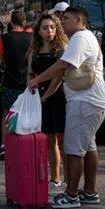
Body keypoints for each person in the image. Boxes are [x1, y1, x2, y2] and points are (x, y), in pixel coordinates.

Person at [28, 6, 105, 209]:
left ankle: (71, 195)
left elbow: (62, 65)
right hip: (90, 100)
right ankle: (89, 191)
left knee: (73, 150)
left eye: (66, 19)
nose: (63, 23)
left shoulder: (81, 38)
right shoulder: (85, 37)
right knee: (88, 147)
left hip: (84, 101)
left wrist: (37, 79)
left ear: (80, 19)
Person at [27, 13, 68, 195]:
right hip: (39, 97)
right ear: (38, 31)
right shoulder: (34, 49)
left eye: (52, 27)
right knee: (49, 140)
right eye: (45, 28)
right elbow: (30, 73)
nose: (49, 31)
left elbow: (58, 76)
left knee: (63, 140)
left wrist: (46, 96)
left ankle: (69, 179)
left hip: (57, 97)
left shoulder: (61, 48)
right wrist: (32, 91)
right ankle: (55, 178)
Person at [0, 9, 32, 158]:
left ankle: (4, 145)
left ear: (11, 21)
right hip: (27, 82)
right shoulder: (31, 38)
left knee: (7, 114)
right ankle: (25, 143)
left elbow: (2, 59)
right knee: (27, 113)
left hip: (11, 81)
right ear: (24, 22)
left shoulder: (4, 38)